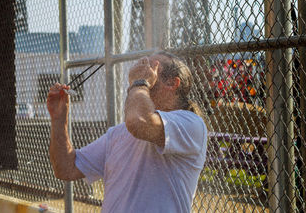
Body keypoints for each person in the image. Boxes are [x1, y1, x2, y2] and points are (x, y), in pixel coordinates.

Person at [47, 52, 208, 213]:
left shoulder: (191, 124)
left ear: (173, 83)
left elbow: (139, 122)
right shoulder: (118, 133)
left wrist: (139, 82)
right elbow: (66, 168)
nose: (142, 69)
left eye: (152, 67)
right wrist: (59, 120)